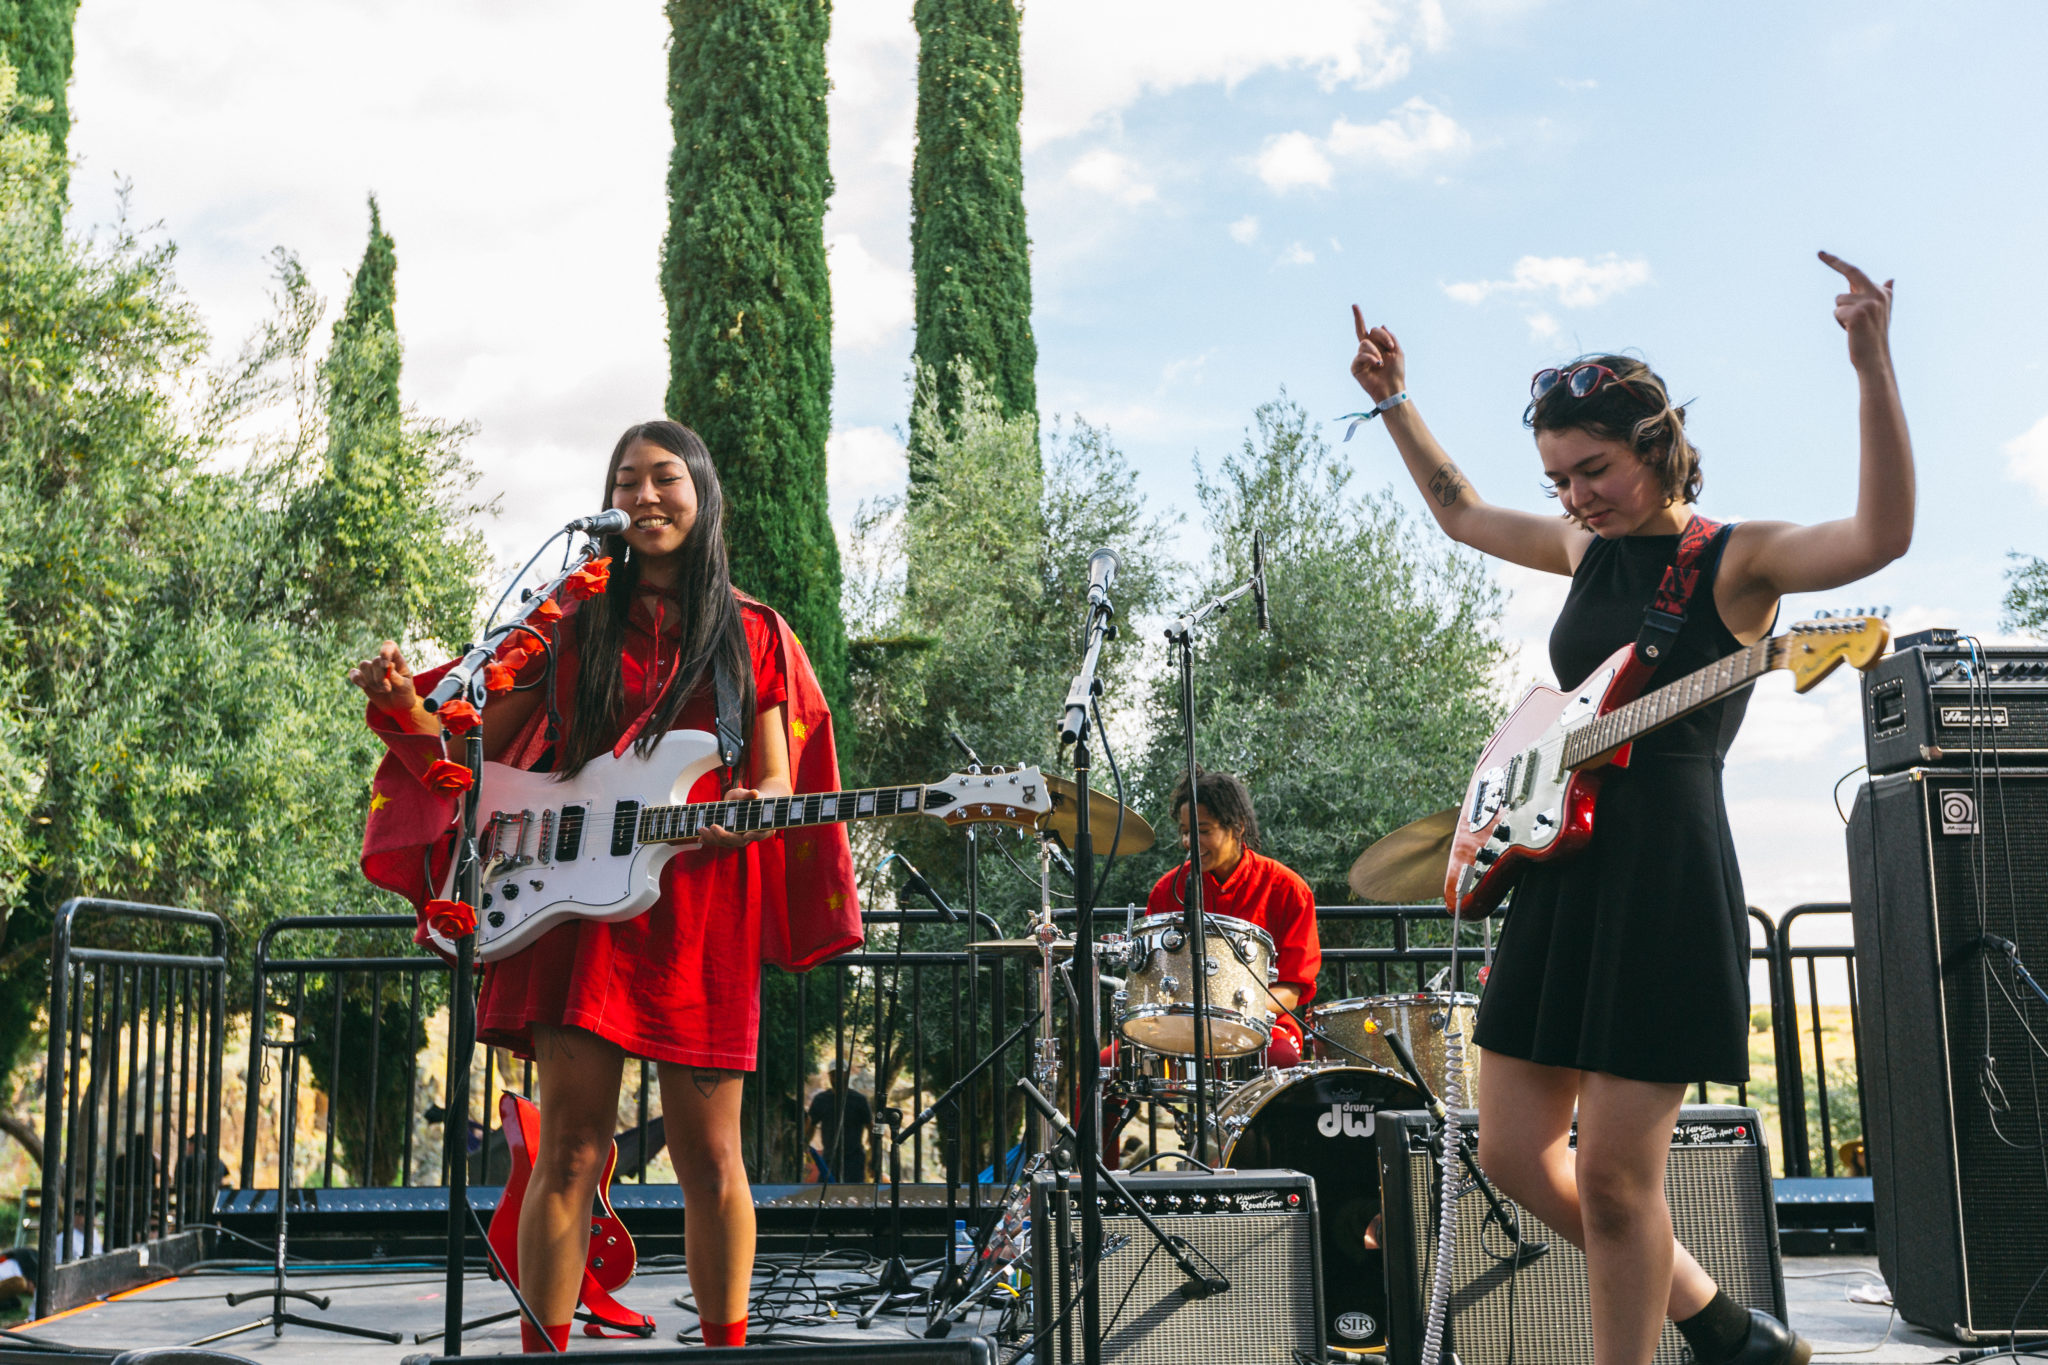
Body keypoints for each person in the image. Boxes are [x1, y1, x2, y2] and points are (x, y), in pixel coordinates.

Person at [1344, 252, 1910, 1365]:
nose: (1572, 497)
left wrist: (1869, 362)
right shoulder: (1577, 550)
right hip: (1556, 872)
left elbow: (1876, 536)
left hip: (1662, 876)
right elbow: (1459, 514)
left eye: (1590, 470)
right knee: (1510, 1151)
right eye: (1557, 477)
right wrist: (1395, 405)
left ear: (1656, 446)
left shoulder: (1737, 562)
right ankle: (1718, 1324)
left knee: (1611, 1180)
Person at [350, 420, 861, 1353]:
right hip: (578, 910)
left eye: (665, 478)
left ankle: (724, 1347)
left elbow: (779, 780)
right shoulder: (568, 617)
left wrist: (744, 804)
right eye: (625, 481)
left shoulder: (756, 632)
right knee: (572, 1149)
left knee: (711, 1158)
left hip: (704, 906)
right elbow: (476, 743)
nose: (643, 496)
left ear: (702, 496)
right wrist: (404, 706)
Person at [1145, 768, 1322, 1067]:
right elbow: (1150, 975)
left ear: (1238, 828)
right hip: (1180, 1029)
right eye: (1185, 832)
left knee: (1282, 1064)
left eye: (1202, 831)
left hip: (1265, 1027)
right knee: (1106, 1069)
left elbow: (1292, 990)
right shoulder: (1167, 889)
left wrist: (1228, 1015)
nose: (1190, 841)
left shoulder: (1288, 888)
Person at [803, 1061, 873, 1183]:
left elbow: (871, 1128)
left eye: (840, 1074)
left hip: (854, 1159)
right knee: (827, 1195)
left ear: (847, 1075)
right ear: (829, 1076)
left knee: (853, 1195)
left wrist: (874, 1156)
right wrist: (804, 1147)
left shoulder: (859, 1100)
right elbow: (810, 1124)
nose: (837, 1078)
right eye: (834, 1074)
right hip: (830, 1158)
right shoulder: (821, 1100)